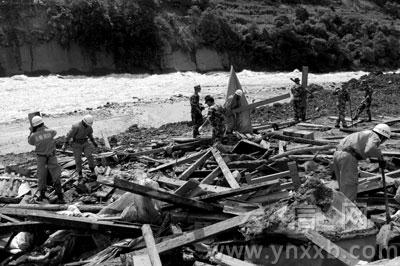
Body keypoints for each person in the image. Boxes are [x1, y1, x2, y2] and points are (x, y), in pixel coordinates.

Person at [332, 124, 391, 201]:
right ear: (383, 136)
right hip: (348, 157)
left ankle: (342, 207)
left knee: (343, 186)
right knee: (350, 186)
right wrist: (380, 157)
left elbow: (363, 150)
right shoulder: (375, 136)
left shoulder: (363, 133)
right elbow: (370, 149)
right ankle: (348, 210)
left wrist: (375, 159)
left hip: (337, 154)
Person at [28, 116, 64, 203]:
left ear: (34, 126)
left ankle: (42, 195)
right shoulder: (50, 132)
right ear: (43, 123)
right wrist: (45, 128)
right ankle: (60, 197)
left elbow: (30, 142)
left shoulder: (33, 136)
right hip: (52, 157)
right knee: (56, 176)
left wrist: (31, 131)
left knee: (41, 176)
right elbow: (54, 132)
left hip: (41, 158)